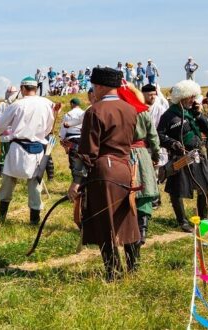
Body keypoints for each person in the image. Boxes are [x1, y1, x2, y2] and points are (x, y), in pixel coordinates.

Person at [68, 67, 140, 281]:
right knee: (127, 218)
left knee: (104, 222)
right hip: (126, 168)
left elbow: (88, 150)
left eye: (93, 86)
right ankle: (133, 268)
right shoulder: (130, 109)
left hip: (103, 170)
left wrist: (76, 181)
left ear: (99, 86)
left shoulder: (95, 111)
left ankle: (113, 272)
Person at [0, 76, 56, 225]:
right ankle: (34, 220)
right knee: (34, 186)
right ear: (36, 88)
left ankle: (2, 216)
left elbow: (1, 124)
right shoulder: (47, 103)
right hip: (37, 149)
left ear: (22, 89)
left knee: (8, 181)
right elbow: (49, 127)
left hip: (17, 149)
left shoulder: (17, 105)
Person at [157, 80, 208, 233]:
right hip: (180, 157)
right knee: (177, 191)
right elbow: (160, 135)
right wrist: (172, 143)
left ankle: (203, 219)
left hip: (198, 155)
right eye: (190, 97)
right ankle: (182, 221)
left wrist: (199, 114)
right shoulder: (169, 115)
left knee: (204, 188)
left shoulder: (194, 112)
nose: (193, 100)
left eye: (193, 97)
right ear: (181, 97)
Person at [130, 85, 161, 246]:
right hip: (141, 154)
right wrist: (155, 155)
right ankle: (142, 230)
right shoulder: (143, 111)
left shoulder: (119, 111)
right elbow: (153, 137)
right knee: (144, 190)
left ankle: (134, 230)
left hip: (121, 155)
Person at [142, 84, 169, 209]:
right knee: (145, 173)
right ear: (143, 95)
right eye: (150, 95)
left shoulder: (160, 109)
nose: (152, 97)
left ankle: (155, 199)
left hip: (155, 144)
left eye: (154, 94)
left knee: (155, 174)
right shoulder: (140, 108)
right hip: (143, 145)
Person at [0, 86, 19, 176]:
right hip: (5, 133)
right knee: (4, 152)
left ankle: (9, 172)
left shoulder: (17, 104)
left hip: (14, 134)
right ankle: (2, 172)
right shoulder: (2, 105)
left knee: (11, 153)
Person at [59, 97, 85, 178]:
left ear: (72, 104)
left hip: (72, 139)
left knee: (73, 159)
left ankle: (76, 180)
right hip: (83, 138)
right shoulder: (84, 113)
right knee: (83, 159)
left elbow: (64, 127)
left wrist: (62, 138)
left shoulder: (68, 114)